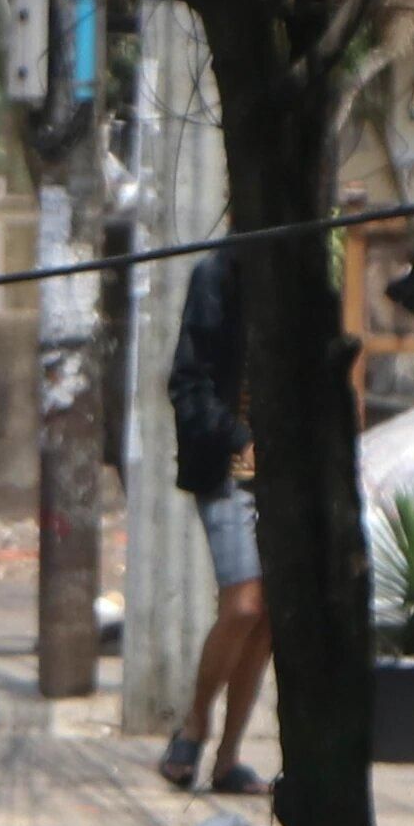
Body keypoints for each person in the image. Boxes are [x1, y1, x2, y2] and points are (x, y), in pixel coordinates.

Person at [159, 246, 269, 794]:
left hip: (286, 475)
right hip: (229, 467)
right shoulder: (218, 273)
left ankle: (228, 759)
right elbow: (187, 383)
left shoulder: (305, 273)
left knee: (266, 619)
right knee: (244, 601)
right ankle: (195, 721)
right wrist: (238, 436)